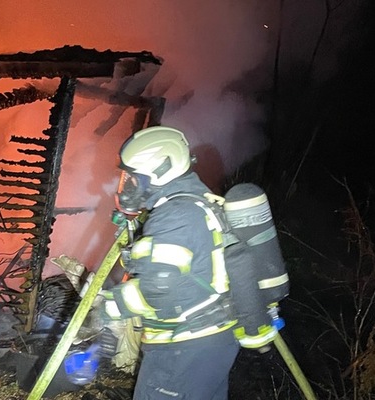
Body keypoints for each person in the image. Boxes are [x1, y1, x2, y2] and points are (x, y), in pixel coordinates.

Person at [102, 126, 276, 399]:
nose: (127, 186)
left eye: (133, 178)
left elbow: (161, 289)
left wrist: (109, 306)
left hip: (182, 347)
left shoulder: (175, 215)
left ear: (160, 171)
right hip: (211, 344)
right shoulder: (198, 203)